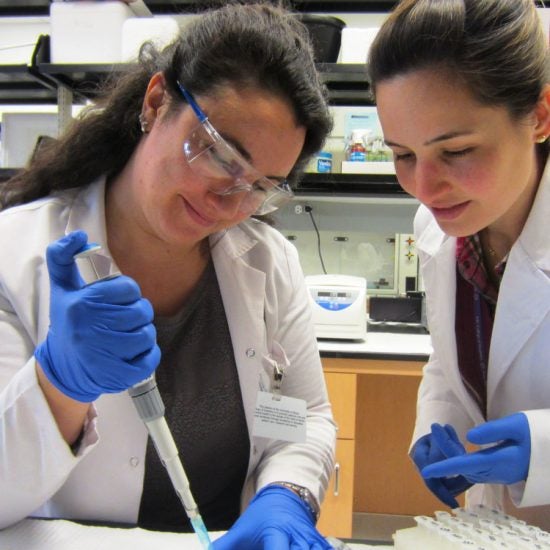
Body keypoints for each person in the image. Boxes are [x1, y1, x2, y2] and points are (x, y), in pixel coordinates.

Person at [0, 3, 338, 547]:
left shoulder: (269, 263)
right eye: (220, 154)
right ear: (156, 102)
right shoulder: (13, 254)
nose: (229, 200)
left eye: (260, 185)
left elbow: (302, 418)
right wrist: (58, 386)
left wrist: (286, 496)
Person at [367, 0, 550, 530]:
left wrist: (544, 446)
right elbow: (451, 362)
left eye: (457, 151)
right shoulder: (442, 231)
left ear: (539, 115)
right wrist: (436, 424)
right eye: (403, 154)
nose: (424, 189)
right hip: (497, 529)